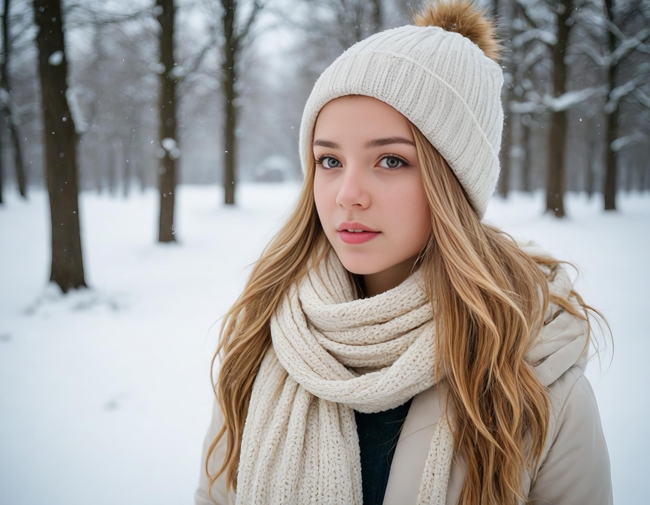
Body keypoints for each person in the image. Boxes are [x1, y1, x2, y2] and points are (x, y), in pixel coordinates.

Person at [194, 1, 612, 504]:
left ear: (453, 181)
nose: (347, 193)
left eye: (390, 160)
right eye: (329, 160)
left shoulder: (532, 371)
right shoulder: (264, 339)